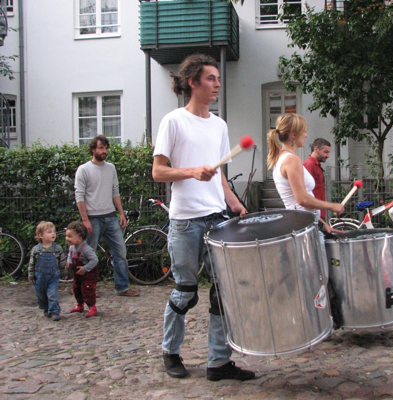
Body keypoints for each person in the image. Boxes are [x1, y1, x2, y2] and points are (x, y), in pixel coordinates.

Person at [152, 54, 255, 382]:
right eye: (211, 78)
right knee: (185, 291)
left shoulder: (220, 125)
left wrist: (235, 202)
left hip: (217, 219)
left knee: (222, 291)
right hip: (185, 221)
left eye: (217, 79)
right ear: (193, 82)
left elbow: (219, 174)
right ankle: (170, 351)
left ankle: (218, 362)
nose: (217, 84)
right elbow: (158, 171)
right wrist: (189, 171)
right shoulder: (173, 121)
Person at [267, 113, 345, 327]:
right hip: (302, 227)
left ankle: (314, 323)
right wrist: (332, 206)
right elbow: (302, 199)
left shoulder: (282, 158)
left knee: (312, 277)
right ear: (293, 135)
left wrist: (323, 223)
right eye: (304, 131)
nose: (307, 135)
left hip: (304, 224)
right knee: (315, 278)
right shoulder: (290, 159)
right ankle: (313, 325)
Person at [74, 135, 139, 297]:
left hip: (110, 217)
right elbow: (79, 196)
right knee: (88, 255)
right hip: (93, 218)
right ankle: (86, 288)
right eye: (101, 148)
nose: (104, 151)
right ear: (93, 150)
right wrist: (85, 220)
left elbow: (115, 192)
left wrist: (121, 213)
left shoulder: (111, 168)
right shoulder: (84, 169)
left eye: (106, 148)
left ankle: (122, 287)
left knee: (120, 252)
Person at [28, 221, 65, 322]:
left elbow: (62, 261)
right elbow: (31, 263)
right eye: (49, 232)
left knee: (52, 293)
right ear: (41, 235)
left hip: (53, 276)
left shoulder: (57, 248)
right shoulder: (36, 250)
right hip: (39, 276)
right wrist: (31, 275)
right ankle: (45, 308)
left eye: (54, 231)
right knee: (41, 294)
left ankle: (54, 311)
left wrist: (64, 272)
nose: (53, 234)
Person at [65, 221, 99, 318]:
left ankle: (92, 306)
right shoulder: (72, 247)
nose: (67, 239)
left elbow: (94, 260)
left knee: (88, 289)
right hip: (77, 273)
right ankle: (80, 304)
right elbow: (69, 255)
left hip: (88, 274)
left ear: (79, 238)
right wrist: (68, 261)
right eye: (67, 236)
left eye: (70, 236)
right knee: (76, 288)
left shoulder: (86, 249)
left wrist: (85, 268)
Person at [303, 138, 331, 220]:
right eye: (325, 152)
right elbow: (305, 193)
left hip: (318, 213)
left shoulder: (316, 165)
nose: (328, 156)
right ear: (316, 149)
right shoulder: (309, 165)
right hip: (313, 214)